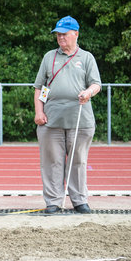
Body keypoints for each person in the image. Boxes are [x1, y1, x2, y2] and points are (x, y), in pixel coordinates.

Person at [33, 16, 102, 214]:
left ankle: (79, 200)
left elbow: (96, 83)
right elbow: (40, 87)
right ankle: (53, 201)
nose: (60, 37)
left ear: (76, 34)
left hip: (80, 119)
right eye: (58, 34)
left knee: (78, 161)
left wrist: (88, 92)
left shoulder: (87, 57)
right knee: (51, 161)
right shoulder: (49, 57)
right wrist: (39, 111)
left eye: (64, 34)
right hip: (51, 119)